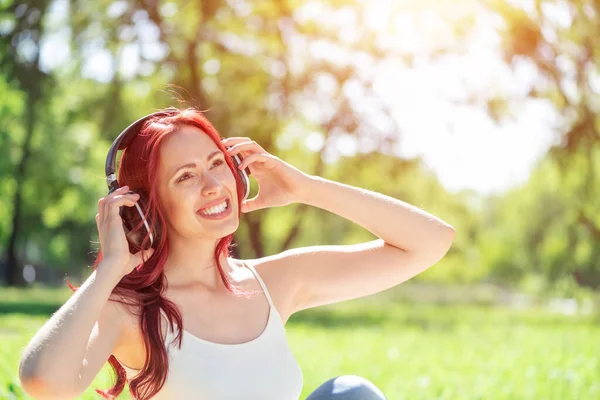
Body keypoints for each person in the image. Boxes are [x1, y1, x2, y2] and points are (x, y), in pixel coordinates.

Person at [18, 107, 455, 400]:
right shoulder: (129, 309)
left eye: (216, 164)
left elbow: (429, 242)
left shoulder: (275, 282)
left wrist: (305, 187)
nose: (212, 186)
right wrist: (111, 268)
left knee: (351, 393)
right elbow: (43, 382)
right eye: (185, 177)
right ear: (145, 207)